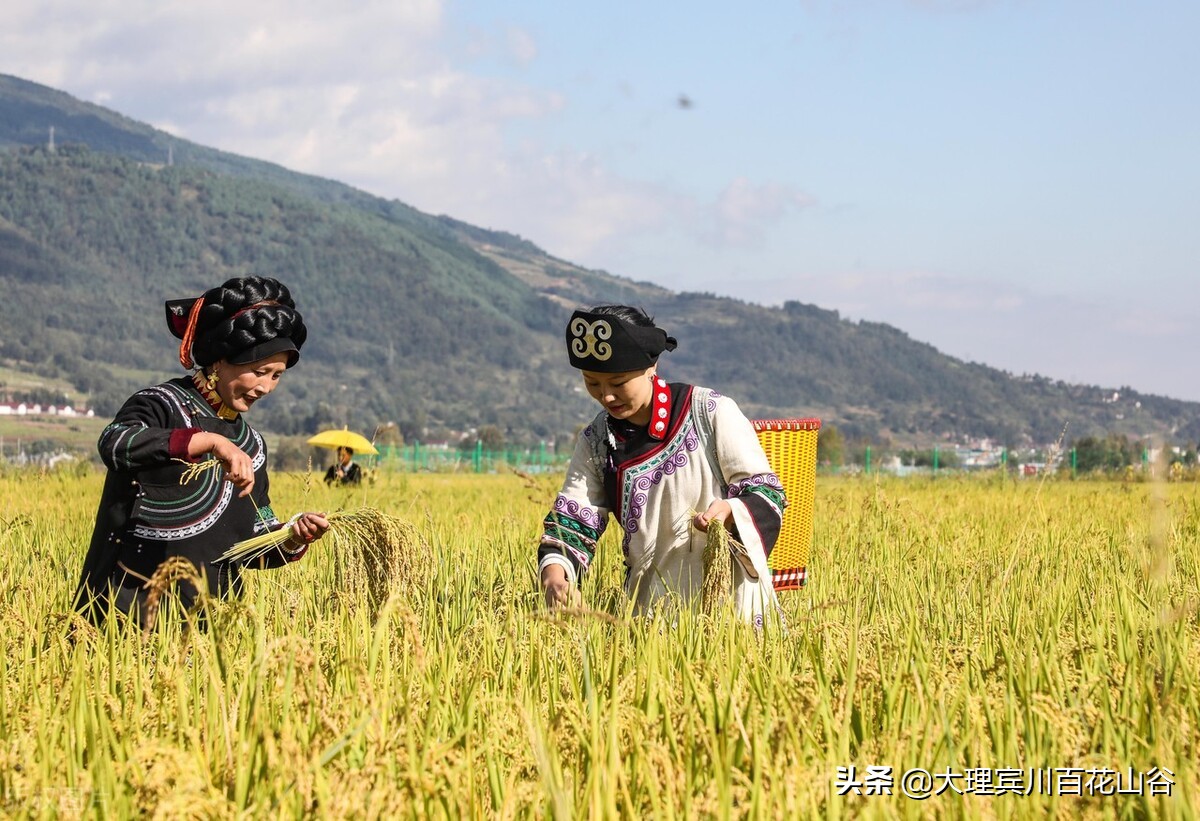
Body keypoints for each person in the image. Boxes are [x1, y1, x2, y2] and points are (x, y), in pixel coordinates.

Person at [75, 276, 330, 626]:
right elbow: (116, 443)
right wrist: (207, 441)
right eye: (259, 372)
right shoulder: (161, 404)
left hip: (210, 628)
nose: (265, 387)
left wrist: (292, 536)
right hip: (127, 616)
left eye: (276, 376)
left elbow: (253, 540)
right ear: (220, 361)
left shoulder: (252, 446)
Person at [537, 305, 788, 624]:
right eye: (593, 383)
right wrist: (555, 577)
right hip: (650, 618)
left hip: (733, 613)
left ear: (650, 367)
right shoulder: (597, 440)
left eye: (618, 383)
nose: (607, 397)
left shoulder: (710, 413)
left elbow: (767, 493)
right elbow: (573, 519)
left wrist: (729, 512)